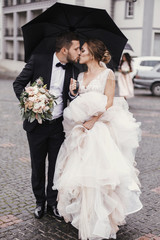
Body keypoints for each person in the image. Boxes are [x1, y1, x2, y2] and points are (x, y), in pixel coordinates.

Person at [53, 39, 142, 240]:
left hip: (98, 129)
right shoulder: (81, 74)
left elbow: (109, 102)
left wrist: (93, 121)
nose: (80, 54)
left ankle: (100, 220)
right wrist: (74, 92)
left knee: (99, 176)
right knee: (80, 175)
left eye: (82, 50)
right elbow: (79, 101)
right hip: (80, 129)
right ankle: (84, 215)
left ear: (92, 53)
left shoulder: (107, 74)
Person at [13, 32, 80, 219]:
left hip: (58, 126)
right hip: (37, 125)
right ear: (65, 49)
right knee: (38, 165)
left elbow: (74, 98)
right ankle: (39, 202)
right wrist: (30, 103)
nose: (78, 52)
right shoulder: (38, 60)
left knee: (56, 167)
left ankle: (53, 202)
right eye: (76, 48)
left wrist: (74, 94)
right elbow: (18, 84)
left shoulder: (74, 69)